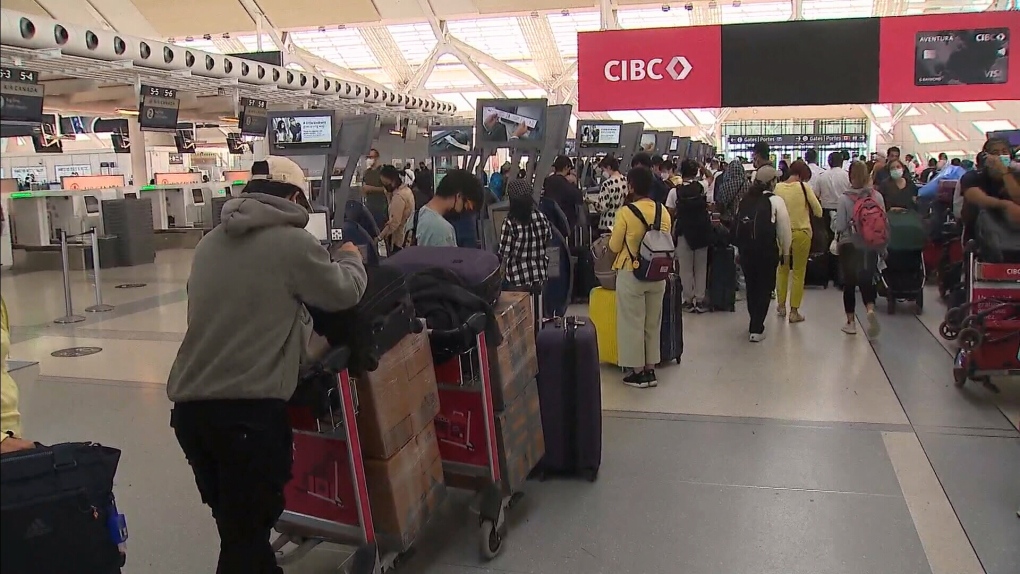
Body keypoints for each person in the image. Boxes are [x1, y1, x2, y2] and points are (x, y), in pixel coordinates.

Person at [167, 157, 368, 574]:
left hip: (192, 416)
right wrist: (351, 258)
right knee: (245, 542)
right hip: (248, 418)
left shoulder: (209, 242)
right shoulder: (290, 243)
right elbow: (343, 293)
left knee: (240, 536)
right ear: (296, 198)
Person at [608, 167, 672, 388]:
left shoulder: (626, 213)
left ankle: (637, 372)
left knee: (632, 323)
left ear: (632, 186)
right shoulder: (662, 211)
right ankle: (650, 369)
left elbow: (615, 245)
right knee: (652, 322)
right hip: (658, 273)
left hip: (631, 271)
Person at [731, 166, 792, 342]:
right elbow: (784, 230)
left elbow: (737, 226)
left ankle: (754, 322)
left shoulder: (745, 200)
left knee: (752, 287)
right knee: (765, 288)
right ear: (772, 182)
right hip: (767, 252)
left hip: (746, 251)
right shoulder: (775, 201)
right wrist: (786, 252)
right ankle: (757, 328)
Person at [832, 161, 885, 338]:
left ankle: (851, 323)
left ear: (850, 176)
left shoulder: (845, 198)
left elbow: (839, 226)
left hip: (849, 245)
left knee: (849, 283)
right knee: (866, 279)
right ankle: (870, 309)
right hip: (870, 244)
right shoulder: (877, 196)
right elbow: (883, 221)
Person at [773, 159, 823, 323]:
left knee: (782, 269)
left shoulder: (778, 187)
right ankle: (794, 312)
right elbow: (818, 212)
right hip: (801, 232)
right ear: (802, 175)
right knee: (799, 272)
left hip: (782, 233)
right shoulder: (804, 187)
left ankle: (781, 306)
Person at [666, 159, 713, 313]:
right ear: (695, 172)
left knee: (685, 268)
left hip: (684, 232)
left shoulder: (675, 191)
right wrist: (703, 168)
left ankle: (687, 300)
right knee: (700, 267)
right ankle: (700, 301)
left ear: (681, 172)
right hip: (702, 231)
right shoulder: (701, 187)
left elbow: (670, 212)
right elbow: (711, 178)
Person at [959, 137, 1020, 238]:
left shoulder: (1016, 175)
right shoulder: (973, 176)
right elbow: (977, 197)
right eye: (995, 152)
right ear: (986, 157)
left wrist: (1005, 172)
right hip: (981, 231)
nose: (1000, 155)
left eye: (1004, 152)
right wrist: (1005, 205)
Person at [406, 168, 484, 247]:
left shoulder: (416, 216)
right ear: (459, 196)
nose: (465, 214)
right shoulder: (442, 230)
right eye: (467, 208)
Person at [499, 179, 553, 288]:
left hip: (517, 279)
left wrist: (501, 272)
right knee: (539, 304)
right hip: (540, 276)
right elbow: (548, 240)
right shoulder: (541, 217)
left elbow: (505, 253)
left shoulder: (510, 222)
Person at [378, 165, 415, 254]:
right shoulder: (406, 191)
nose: (385, 187)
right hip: (407, 237)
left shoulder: (398, 197)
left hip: (398, 241)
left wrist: (379, 237)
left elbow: (394, 223)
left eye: (386, 184)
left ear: (393, 181)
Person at [543, 155, 584, 229]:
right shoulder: (566, 184)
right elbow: (579, 199)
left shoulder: (547, 181)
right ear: (566, 167)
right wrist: (575, 183)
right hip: (564, 222)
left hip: (550, 220)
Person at [595, 155, 627, 233]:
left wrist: (593, 203)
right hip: (622, 222)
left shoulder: (607, 184)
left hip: (608, 223)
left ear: (609, 167)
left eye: (603, 169)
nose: (603, 172)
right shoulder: (626, 181)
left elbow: (602, 207)